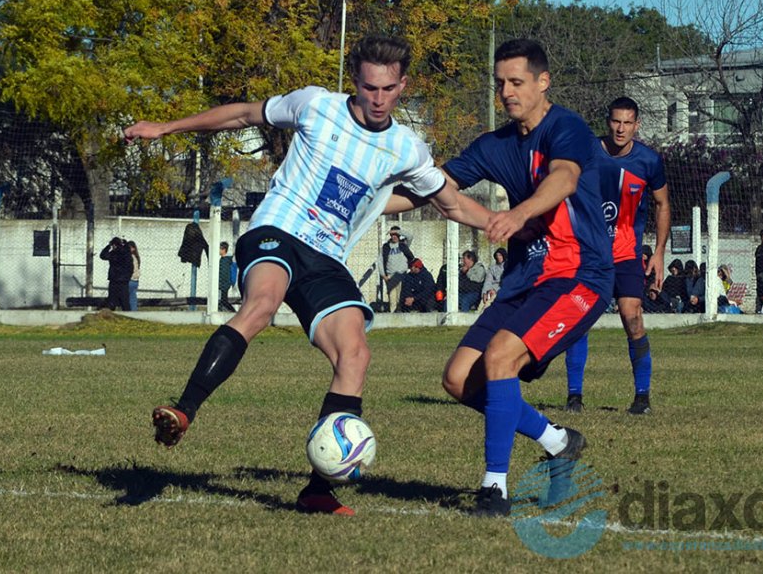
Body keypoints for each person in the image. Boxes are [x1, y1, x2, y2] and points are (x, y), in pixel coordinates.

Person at [122, 35, 491, 516]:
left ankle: (318, 488)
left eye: (388, 89)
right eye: (367, 87)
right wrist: (167, 127)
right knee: (262, 305)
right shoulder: (315, 105)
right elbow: (241, 115)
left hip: (326, 258)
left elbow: (451, 202)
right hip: (278, 231)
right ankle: (183, 410)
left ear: (403, 85)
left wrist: (513, 220)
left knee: (355, 353)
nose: (377, 99)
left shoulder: (407, 149)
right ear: (354, 81)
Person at [433, 39, 613, 516]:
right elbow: (436, 189)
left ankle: (494, 489)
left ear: (542, 82)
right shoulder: (495, 145)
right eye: (499, 84)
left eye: (516, 82)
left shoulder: (567, 127)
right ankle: (558, 441)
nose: (506, 92)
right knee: (456, 380)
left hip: (581, 275)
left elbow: (565, 178)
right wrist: (359, 203)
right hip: (524, 281)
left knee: (501, 356)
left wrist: (519, 212)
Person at [562, 97, 670, 416]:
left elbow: (663, 204)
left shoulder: (648, 161)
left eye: (628, 122)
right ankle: (574, 397)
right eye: (616, 121)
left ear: (637, 125)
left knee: (632, 316)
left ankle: (642, 397)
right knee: (578, 322)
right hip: (588, 252)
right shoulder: (586, 151)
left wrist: (659, 252)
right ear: (607, 122)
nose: (621, 128)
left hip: (626, 254)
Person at [377, 226, 414, 313]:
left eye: (396, 234)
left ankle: (400, 314)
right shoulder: (386, 247)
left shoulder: (403, 244)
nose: (394, 236)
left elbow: (410, 236)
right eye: (392, 234)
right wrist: (383, 275)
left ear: (399, 235)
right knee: (392, 298)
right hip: (391, 276)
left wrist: (398, 231)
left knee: (400, 297)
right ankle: (392, 315)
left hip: (402, 275)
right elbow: (380, 261)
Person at [99, 237, 133, 311]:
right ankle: (128, 314)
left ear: (114, 245)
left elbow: (103, 255)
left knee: (112, 300)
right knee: (125, 301)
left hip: (114, 279)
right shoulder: (127, 253)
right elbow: (131, 267)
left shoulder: (114, 253)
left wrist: (108, 246)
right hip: (124, 280)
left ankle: (111, 314)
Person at [218, 242, 236, 312]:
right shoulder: (222, 259)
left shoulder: (227, 260)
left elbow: (226, 273)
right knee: (222, 300)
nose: (218, 250)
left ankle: (233, 312)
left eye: (219, 249)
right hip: (221, 284)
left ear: (223, 250)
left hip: (224, 284)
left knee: (224, 301)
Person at [128, 241, 141, 311]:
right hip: (135, 280)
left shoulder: (130, 257)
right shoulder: (136, 257)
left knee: (129, 298)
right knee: (132, 297)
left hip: (130, 279)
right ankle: (133, 311)